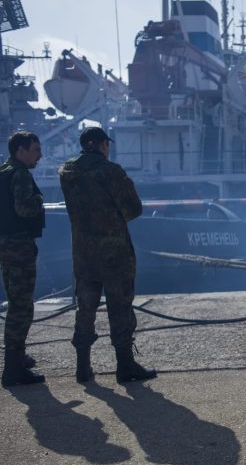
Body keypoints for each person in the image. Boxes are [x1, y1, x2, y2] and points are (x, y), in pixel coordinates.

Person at [59, 127, 156, 383]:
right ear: (102, 145)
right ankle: (125, 366)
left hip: (83, 253)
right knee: (119, 305)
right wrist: (112, 219)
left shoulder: (66, 171)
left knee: (86, 306)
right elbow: (134, 208)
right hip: (114, 252)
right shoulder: (111, 170)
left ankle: (83, 367)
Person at [0, 132, 46, 387]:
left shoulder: (3, 171)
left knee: (16, 299)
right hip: (18, 246)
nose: (40, 155)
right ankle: (13, 368)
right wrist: (39, 200)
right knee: (21, 306)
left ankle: (18, 357)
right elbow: (24, 208)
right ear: (20, 150)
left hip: (6, 244)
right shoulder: (19, 175)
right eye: (35, 149)